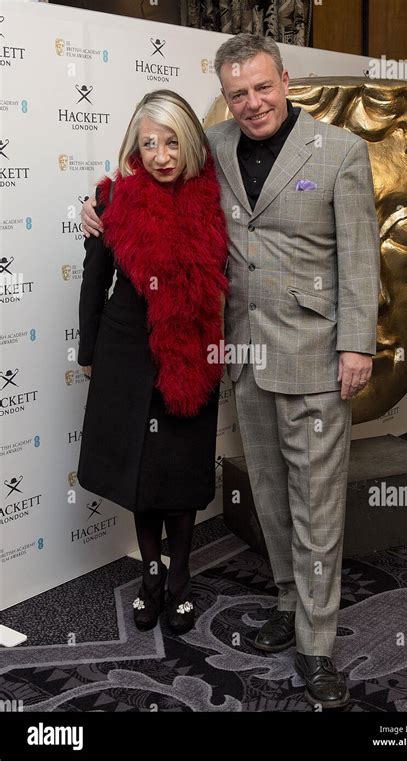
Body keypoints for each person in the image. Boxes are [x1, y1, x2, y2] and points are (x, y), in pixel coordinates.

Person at [82, 35, 380, 709]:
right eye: (238, 92)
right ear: (226, 95)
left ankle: (318, 642)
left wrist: (356, 346)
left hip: (315, 353)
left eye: (262, 87)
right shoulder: (210, 145)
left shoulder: (339, 152)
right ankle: (285, 602)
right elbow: (149, 176)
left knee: (317, 503)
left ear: (286, 78)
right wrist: (97, 209)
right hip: (241, 355)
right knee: (270, 497)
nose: (252, 103)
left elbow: (362, 259)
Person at [77, 90, 228, 636]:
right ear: (134, 147)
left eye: (172, 142)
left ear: (188, 141)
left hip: (192, 353)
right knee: (142, 475)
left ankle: (182, 580)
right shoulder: (113, 197)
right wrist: (89, 354)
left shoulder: (215, 194)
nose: (162, 155)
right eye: (149, 144)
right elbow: (95, 282)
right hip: (129, 356)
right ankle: (151, 577)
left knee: (180, 473)